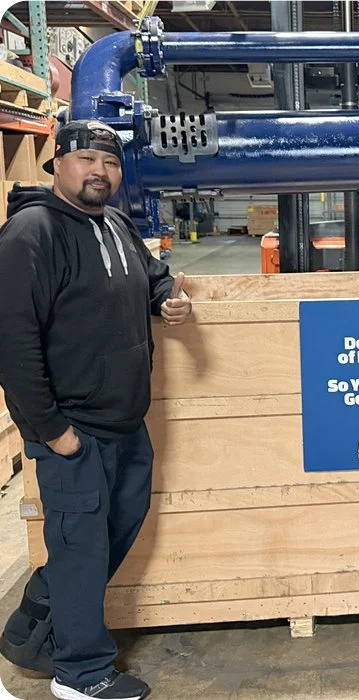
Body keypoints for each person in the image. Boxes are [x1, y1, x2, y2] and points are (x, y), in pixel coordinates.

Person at [0, 119, 192, 700]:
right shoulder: (30, 234)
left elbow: (152, 277)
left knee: (109, 535)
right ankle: (80, 675)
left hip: (124, 423)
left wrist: (170, 300)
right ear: (57, 163)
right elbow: (13, 343)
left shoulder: (113, 223)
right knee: (82, 549)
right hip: (74, 431)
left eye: (109, 163)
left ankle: (31, 630)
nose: (98, 172)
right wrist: (52, 432)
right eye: (85, 159)